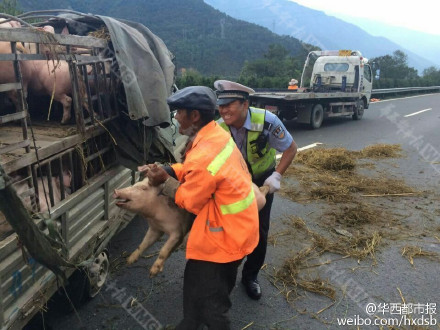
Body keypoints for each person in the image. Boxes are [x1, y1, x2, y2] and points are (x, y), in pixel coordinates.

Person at [144, 86, 259, 329]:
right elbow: (197, 172)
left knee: (212, 309)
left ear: (194, 116)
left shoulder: (205, 152)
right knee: (198, 296)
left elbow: (190, 200)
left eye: (178, 113)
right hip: (235, 230)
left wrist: (165, 182)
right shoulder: (214, 133)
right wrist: (170, 170)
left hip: (222, 240)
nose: (175, 118)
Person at [214, 80, 297, 300]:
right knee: (230, 228)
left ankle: (250, 276)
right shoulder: (218, 127)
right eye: (221, 105)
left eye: (229, 104)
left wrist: (276, 175)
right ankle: (225, 274)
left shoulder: (267, 121)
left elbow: (290, 148)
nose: (223, 110)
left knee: (259, 231)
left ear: (245, 104)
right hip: (233, 183)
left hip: (262, 183)